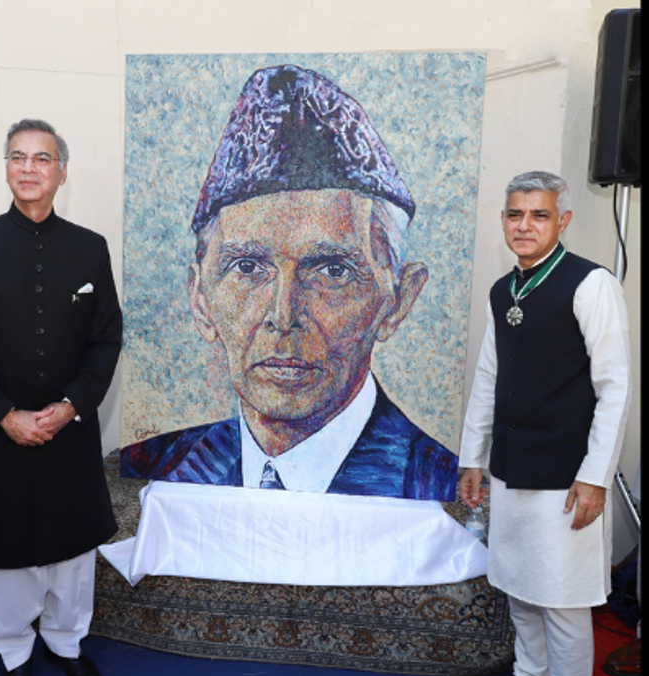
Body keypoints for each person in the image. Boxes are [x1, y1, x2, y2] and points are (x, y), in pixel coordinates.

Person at [121, 64, 457, 500]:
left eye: (333, 271)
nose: (283, 317)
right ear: (200, 298)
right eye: (246, 268)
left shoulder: (440, 486)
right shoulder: (151, 469)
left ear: (397, 301)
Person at [0, 119, 123, 676]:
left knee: (72, 548)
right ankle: (14, 652)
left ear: (61, 172)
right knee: (7, 550)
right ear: (7, 167)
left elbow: (106, 340)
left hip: (67, 428)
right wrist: (4, 414)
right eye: (18, 156)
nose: (28, 168)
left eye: (42, 158)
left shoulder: (90, 248)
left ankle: (67, 643)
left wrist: (70, 406)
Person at [458, 171, 631, 676]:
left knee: (561, 598)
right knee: (517, 584)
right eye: (515, 214)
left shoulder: (591, 283)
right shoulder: (502, 288)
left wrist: (596, 477)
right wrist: (472, 456)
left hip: (566, 473)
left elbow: (615, 386)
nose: (524, 225)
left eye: (538, 214)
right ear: (504, 220)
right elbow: (489, 376)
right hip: (511, 464)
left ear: (563, 220)